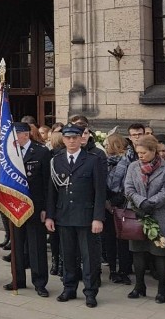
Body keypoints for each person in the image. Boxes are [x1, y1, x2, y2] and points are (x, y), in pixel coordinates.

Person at [45, 123, 105, 308]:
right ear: (63, 139)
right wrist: (50, 216)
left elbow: (100, 191)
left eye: (75, 137)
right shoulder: (56, 160)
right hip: (64, 215)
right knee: (68, 255)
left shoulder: (93, 160)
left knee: (89, 257)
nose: (71, 141)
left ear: (81, 139)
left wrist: (98, 218)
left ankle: (90, 292)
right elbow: (51, 192)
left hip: (86, 216)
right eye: (68, 137)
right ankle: (69, 288)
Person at [3, 122, 51, 297]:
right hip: (15, 207)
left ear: (25, 135)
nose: (13, 139)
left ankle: (39, 283)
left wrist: (46, 208)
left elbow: (47, 183)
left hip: (35, 207)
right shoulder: (9, 152)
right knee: (16, 246)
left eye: (16, 135)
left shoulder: (41, 152)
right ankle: (18, 279)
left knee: (36, 246)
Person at [124, 135, 165, 303]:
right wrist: (141, 202)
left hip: (159, 215)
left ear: (153, 151)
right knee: (138, 252)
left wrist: (151, 203)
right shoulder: (133, 167)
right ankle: (139, 286)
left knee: (160, 253)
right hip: (138, 213)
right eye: (138, 153)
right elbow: (128, 188)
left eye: (143, 153)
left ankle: (161, 289)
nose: (140, 156)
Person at [102, 133, 133, 285]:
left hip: (123, 205)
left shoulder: (128, 161)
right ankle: (113, 270)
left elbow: (129, 183)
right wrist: (108, 202)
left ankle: (124, 271)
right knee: (109, 239)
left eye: (107, 144)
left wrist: (119, 199)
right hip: (107, 205)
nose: (106, 147)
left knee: (123, 240)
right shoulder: (104, 161)